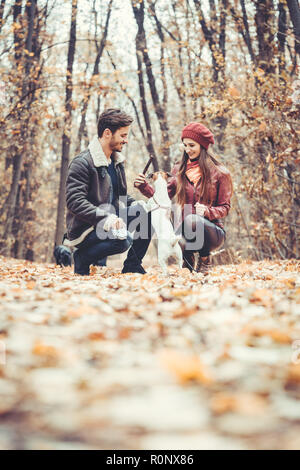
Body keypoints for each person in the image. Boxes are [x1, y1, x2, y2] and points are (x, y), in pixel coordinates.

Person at [134, 122, 233, 273]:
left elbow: (225, 207)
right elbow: (162, 197)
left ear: (203, 145)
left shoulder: (220, 173)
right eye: (185, 145)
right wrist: (143, 186)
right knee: (173, 235)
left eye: (192, 145)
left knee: (192, 220)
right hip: (184, 230)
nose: (187, 149)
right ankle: (188, 259)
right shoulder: (179, 170)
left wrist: (208, 211)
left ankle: (205, 259)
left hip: (212, 231)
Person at [64, 108, 152, 275]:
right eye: (123, 135)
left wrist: (138, 204)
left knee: (145, 212)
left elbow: (120, 197)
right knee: (123, 240)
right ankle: (82, 257)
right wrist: (106, 218)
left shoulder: (116, 163)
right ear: (107, 133)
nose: (126, 141)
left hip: (111, 218)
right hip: (86, 227)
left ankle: (132, 266)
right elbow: (75, 201)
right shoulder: (82, 162)